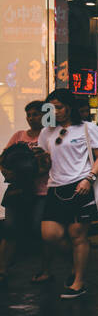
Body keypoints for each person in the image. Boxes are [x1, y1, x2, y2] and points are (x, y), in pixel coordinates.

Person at [37, 88, 98, 299]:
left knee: (78, 235)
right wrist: (38, 159)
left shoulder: (87, 128)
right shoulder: (46, 132)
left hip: (81, 185)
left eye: (59, 107)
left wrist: (90, 177)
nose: (56, 111)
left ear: (69, 107)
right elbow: (44, 162)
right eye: (51, 108)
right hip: (55, 187)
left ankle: (79, 281)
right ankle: (76, 263)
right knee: (50, 235)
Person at [0, 101, 51, 285]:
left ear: (44, 115)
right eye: (29, 114)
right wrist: (8, 172)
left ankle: (45, 269)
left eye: (36, 114)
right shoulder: (19, 135)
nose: (31, 118)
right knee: (10, 228)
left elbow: (50, 164)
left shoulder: (49, 135)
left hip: (42, 192)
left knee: (40, 230)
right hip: (18, 190)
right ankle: (3, 269)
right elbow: (3, 158)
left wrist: (33, 171)